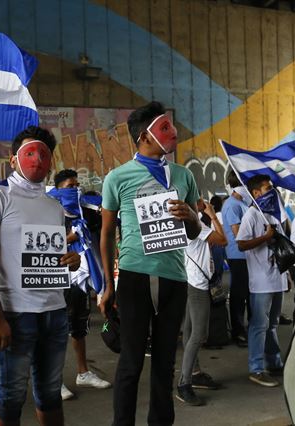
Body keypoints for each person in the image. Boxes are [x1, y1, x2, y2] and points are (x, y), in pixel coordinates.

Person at [99, 101, 201, 426]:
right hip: (134, 278)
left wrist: (192, 216)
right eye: (165, 128)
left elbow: (196, 231)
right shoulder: (117, 178)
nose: (174, 133)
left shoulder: (184, 176)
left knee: (164, 362)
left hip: (174, 278)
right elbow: (105, 234)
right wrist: (107, 285)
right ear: (145, 136)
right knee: (131, 362)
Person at [0, 126, 81, 426]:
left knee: (50, 393)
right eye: (30, 152)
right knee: (10, 395)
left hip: (55, 312)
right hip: (15, 314)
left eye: (44, 154)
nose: (37, 159)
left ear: (50, 162)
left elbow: (53, 258)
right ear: (13, 159)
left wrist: (70, 261)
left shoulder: (54, 206)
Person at [50, 169, 111, 401]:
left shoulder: (86, 212)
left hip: (80, 277)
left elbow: (103, 227)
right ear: (58, 189)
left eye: (77, 185)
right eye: (69, 186)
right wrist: (70, 237)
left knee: (78, 325)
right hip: (55, 276)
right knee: (56, 328)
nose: (75, 189)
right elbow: (43, 241)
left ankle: (83, 372)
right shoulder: (51, 211)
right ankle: (54, 380)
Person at [236, 174, 287, 387]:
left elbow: (283, 246)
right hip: (261, 281)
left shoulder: (273, 214)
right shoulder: (252, 215)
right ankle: (256, 368)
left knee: (273, 323)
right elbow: (241, 244)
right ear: (256, 193)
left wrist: (287, 275)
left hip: (278, 279)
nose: (272, 190)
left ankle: (274, 362)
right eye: (268, 187)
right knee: (259, 324)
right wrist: (265, 238)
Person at [177, 198, 226, 406]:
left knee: (188, 331)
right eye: (199, 200)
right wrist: (213, 214)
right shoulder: (195, 224)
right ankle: (184, 383)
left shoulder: (186, 221)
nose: (203, 202)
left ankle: (194, 373)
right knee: (198, 334)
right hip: (197, 285)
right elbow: (223, 239)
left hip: (189, 279)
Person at [222, 172, 252, 347]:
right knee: (239, 293)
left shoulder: (243, 203)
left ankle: (245, 328)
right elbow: (238, 233)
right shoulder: (232, 205)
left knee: (247, 292)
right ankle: (238, 331)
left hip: (247, 255)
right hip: (238, 255)